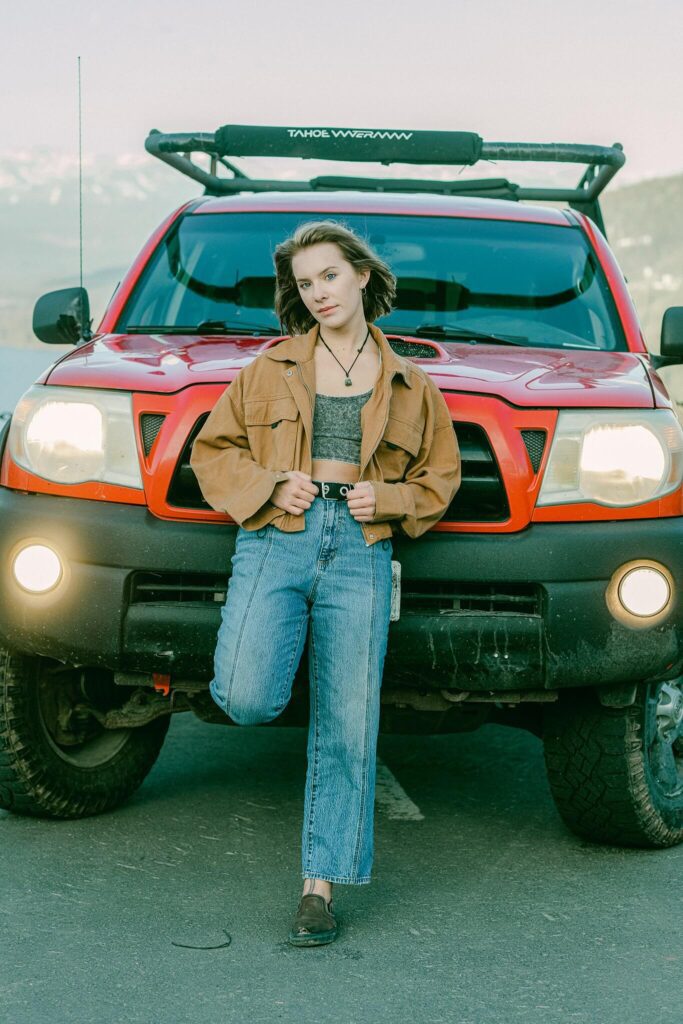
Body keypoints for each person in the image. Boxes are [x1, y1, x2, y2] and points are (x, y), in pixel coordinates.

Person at [190, 220, 461, 947]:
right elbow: (213, 451)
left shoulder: (411, 384)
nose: (318, 293)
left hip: (362, 549)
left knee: (348, 724)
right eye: (305, 283)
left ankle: (321, 886)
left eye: (330, 276)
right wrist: (269, 485)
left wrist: (391, 498)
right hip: (277, 535)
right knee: (247, 696)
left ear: (362, 276)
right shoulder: (269, 368)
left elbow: (439, 478)